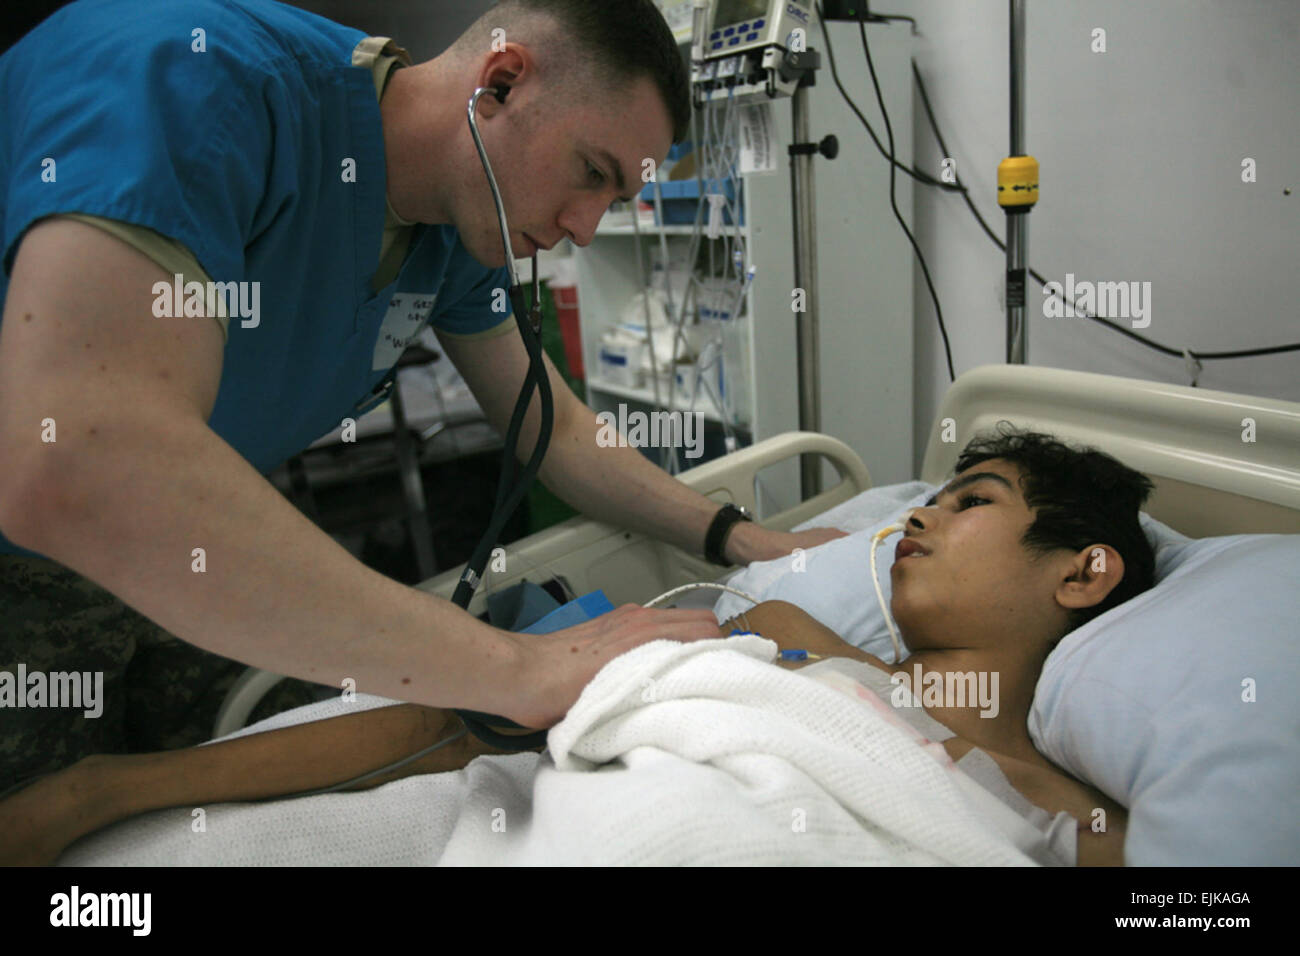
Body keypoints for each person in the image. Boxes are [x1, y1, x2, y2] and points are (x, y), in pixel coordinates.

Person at [0, 0, 842, 793]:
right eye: (592, 171)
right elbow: (78, 462)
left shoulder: (453, 233)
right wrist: (523, 667)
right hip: (29, 562)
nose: (586, 227)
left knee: (222, 787)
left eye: (614, 201)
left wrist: (743, 537)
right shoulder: (199, 82)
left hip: (186, 549)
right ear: (503, 81)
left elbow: (558, 434)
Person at [0, 427, 1157, 866]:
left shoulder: (1081, 811)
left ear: (1082, 568)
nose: (912, 513)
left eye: (970, 502)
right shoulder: (793, 634)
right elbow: (476, 721)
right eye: (930, 495)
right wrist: (103, 789)